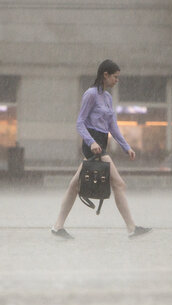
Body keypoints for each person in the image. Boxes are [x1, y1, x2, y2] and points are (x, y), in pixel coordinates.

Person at [51, 59, 151, 240]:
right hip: (93, 146)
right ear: (105, 75)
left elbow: (112, 126)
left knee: (75, 185)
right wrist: (91, 143)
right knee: (119, 184)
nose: (117, 80)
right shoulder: (90, 94)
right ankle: (132, 228)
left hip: (101, 144)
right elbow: (80, 123)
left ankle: (58, 226)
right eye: (115, 77)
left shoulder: (108, 97)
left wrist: (126, 147)